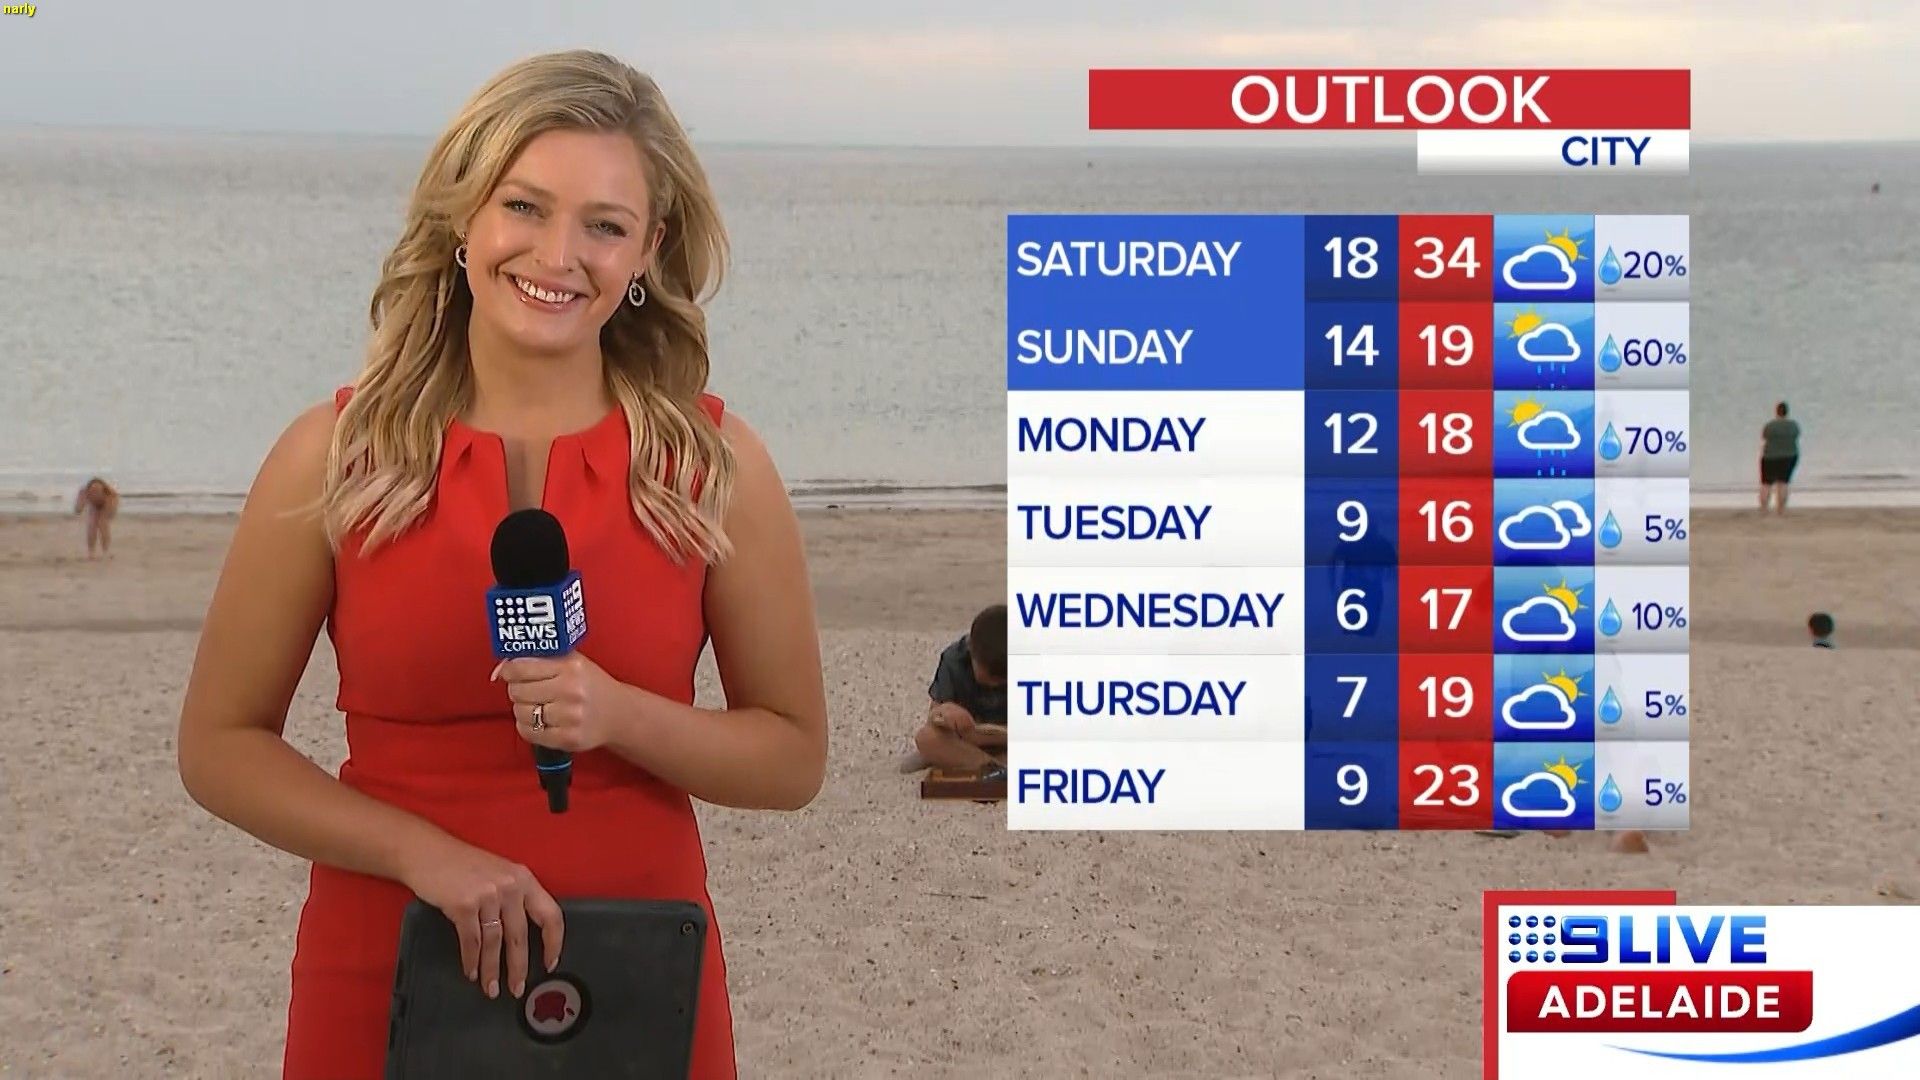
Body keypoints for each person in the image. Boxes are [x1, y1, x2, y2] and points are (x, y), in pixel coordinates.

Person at [175, 51, 827, 1080]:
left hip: (636, 981)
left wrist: (619, 713)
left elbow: (792, 758)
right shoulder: (333, 458)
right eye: (524, 205)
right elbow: (218, 746)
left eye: (604, 225)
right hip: (384, 965)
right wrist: (421, 855)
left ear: (648, 250)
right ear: (464, 214)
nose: (558, 255)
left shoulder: (712, 467)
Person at [899, 604, 1007, 776]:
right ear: (972, 651)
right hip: (967, 739)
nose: (995, 685)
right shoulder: (954, 660)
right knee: (927, 738)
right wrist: (945, 713)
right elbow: (934, 718)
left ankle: (984, 766)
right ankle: (995, 770)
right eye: (991, 676)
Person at [1759, 402, 1801, 513]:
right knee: (1783, 482)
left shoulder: (1770, 426)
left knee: (1766, 483)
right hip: (1789, 455)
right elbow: (1796, 436)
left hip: (1770, 457)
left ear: (1776, 412)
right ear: (1787, 412)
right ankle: (1781, 508)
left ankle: (1764, 508)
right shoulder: (1793, 426)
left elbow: (1764, 437)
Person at [72, 476, 119, 558]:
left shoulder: (110, 494)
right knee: (91, 526)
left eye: (97, 491)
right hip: (94, 505)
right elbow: (78, 510)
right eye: (93, 490)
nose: (95, 492)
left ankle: (106, 550)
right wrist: (81, 503)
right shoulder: (84, 492)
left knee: (103, 526)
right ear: (89, 489)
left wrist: (105, 517)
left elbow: (111, 511)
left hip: (107, 505)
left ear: (103, 490)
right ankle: (91, 551)